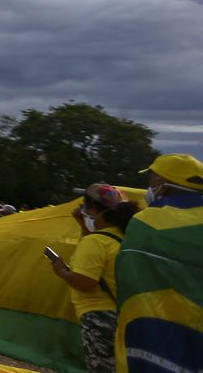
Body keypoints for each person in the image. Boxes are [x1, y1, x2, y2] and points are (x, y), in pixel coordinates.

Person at [114, 153, 203, 373]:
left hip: (154, 332)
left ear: (164, 185)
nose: (150, 185)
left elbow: (129, 277)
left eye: (152, 179)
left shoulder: (146, 222)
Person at [49, 183, 138, 373]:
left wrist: (61, 271)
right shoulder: (121, 238)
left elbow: (86, 282)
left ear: (97, 210)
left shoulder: (96, 242)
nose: (83, 210)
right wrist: (83, 226)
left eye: (85, 206)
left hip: (99, 317)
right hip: (121, 316)